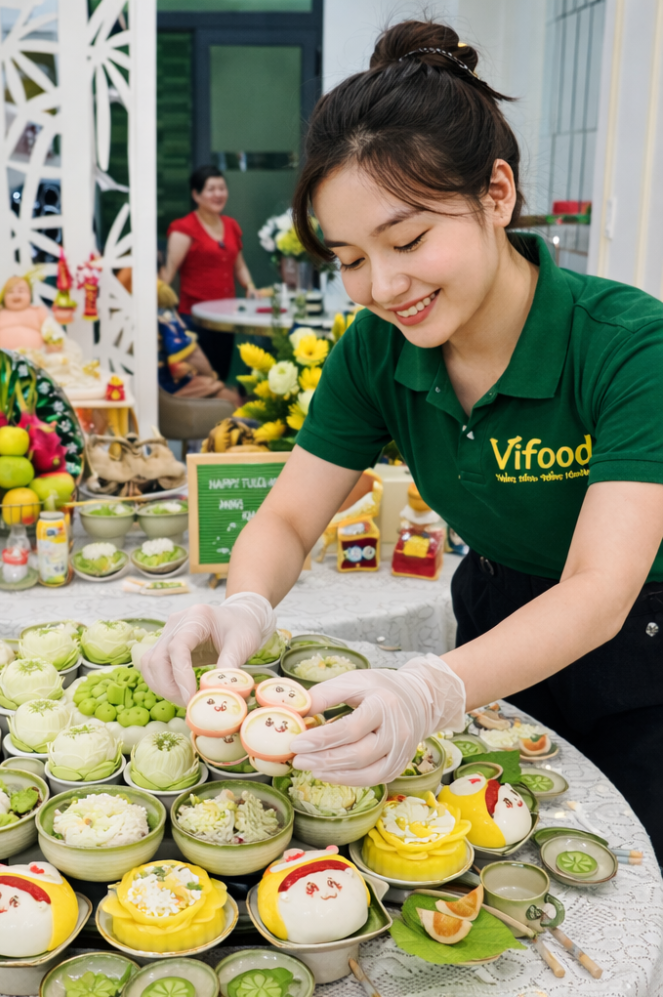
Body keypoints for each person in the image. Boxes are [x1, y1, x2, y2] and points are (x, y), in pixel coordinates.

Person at [142, 20, 663, 853]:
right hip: (494, 615)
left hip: (640, 646)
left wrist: (431, 688)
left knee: (628, 871)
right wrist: (242, 604)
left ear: (496, 194)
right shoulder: (378, 350)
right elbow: (285, 519)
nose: (382, 287)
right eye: (348, 258)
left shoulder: (628, 344)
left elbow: (600, 589)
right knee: (476, 853)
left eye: (410, 240)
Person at [160, 166, 258, 380]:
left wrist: (249, 286)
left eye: (222, 188)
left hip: (226, 318)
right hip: (195, 318)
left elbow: (239, 265)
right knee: (202, 378)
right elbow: (168, 274)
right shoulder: (183, 229)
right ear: (196, 195)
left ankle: (221, 413)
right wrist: (163, 312)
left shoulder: (231, 226)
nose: (218, 194)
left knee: (221, 374)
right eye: (211, 189)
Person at [157, 280, 240, 404]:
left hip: (156, 387)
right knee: (231, 398)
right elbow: (190, 353)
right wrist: (212, 377)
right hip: (169, 388)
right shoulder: (164, 314)